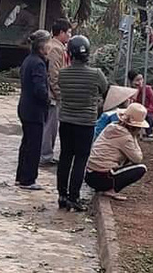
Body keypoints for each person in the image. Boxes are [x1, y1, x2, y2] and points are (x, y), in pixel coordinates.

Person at [58, 35, 109, 211]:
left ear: (69, 54)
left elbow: (61, 90)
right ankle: (74, 197)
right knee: (80, 160)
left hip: (66, 122)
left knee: (65, 157)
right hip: (86, 124)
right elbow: (105, 89)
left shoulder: (62, 74)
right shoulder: (96, 74)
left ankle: (62, 195)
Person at [85, 103, 149, 201]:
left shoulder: (111, 126)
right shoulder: (126, 137)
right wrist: (134, 137)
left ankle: (106, 187)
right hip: (104, 176)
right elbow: (137, 158)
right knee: (141, 168)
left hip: (90, 174)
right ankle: (112, 190)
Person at [15, 30, 52, 190]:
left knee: (26, 144)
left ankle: (21, 176)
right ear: (42, 46)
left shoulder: (28, 60)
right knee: (34, 146)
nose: (50, 47)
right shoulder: (38, 63)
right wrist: (47, 100)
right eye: (49, 44)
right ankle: (28, 179)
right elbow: (39, 89)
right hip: (34, 110)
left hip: (25, 107)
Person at [40, 19, 72, 166]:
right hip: (52, 95)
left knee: (51, 125)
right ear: (61, 33)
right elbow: (54, 74)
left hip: (54, 93)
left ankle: (47, 154)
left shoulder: (59, 47)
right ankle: (45, 155)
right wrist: (59, 94)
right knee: (50, 126)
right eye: (68, 32)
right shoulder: (56, 49)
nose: (70, 35)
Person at [127, 70, 153, 136]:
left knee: (147, 116)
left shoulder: (147, 89)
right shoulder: (129, 90)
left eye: (141, 79)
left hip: (148, 113)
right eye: (137, 80)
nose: (140, 82)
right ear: (131, 82)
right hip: (134, 113)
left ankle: (149, 131)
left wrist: (145, 109)